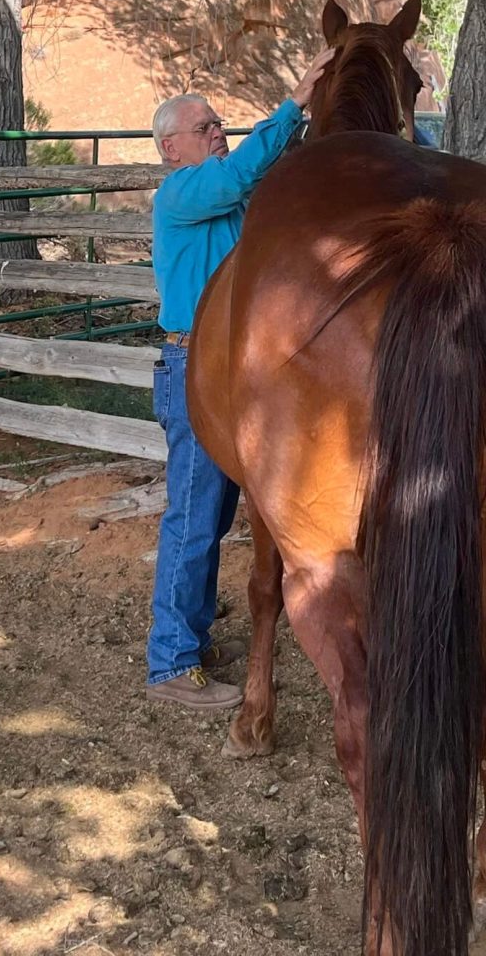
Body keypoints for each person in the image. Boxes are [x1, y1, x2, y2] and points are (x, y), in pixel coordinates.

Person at [146, 48, 336, 711]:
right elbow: (243, 173)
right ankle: (170, 661)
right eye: (206, 128)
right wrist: (295, 102)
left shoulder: (224, 204)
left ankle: (189, 639)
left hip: (229, 370)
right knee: (194, 521)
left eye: (220, 123)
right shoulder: (183, 194)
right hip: (195, 366)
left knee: (216, 516)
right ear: (172, 147)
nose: (218, 132)